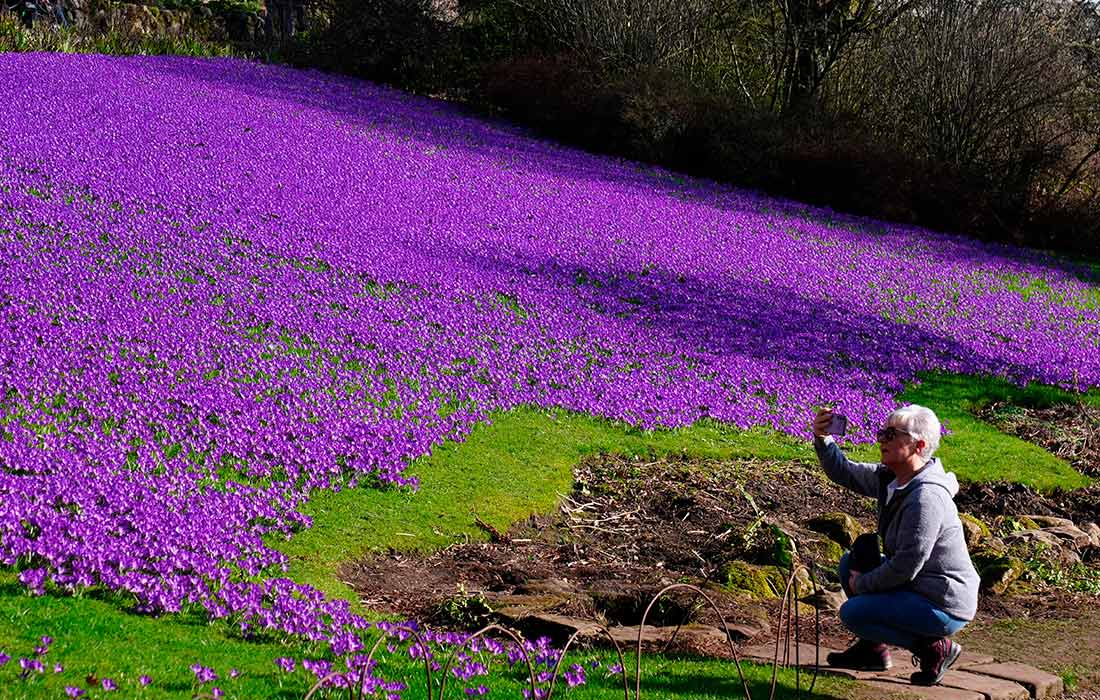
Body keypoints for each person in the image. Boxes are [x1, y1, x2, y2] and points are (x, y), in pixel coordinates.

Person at [812, 404, 980, 686]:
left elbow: (906, 566)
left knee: (853, 613)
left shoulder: (926, 498)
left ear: (919, 445)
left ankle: (935, 649)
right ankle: (872, 649)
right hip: (915, 587)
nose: (882, 439)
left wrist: (862, 584)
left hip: (941, 602)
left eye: (892, 434)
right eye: (882, 432)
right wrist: (823, 438)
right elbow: (843, 471)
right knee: (848, 562)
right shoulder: (892, 479)